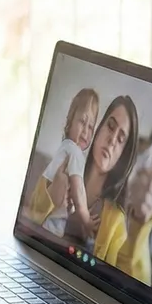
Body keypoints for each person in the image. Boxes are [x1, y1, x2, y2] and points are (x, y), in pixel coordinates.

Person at [31, 95, 152, 285]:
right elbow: (27, 229)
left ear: (122, 155)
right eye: (110, 125)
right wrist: (50, 198)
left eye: (121, 138)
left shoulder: (115, 221)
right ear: (99, 128)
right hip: (38, 269)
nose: (111, 140)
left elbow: (133, 285)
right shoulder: (58, 168)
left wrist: (141, 222)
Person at [27, 86, 98, 238]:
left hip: (43, 212)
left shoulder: (65, 147)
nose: (86, 130)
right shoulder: (74, 151)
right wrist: (86, 218)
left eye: (91, 126)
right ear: (70, 121)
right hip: (50, 223)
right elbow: (78, 188)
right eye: (82, 121)